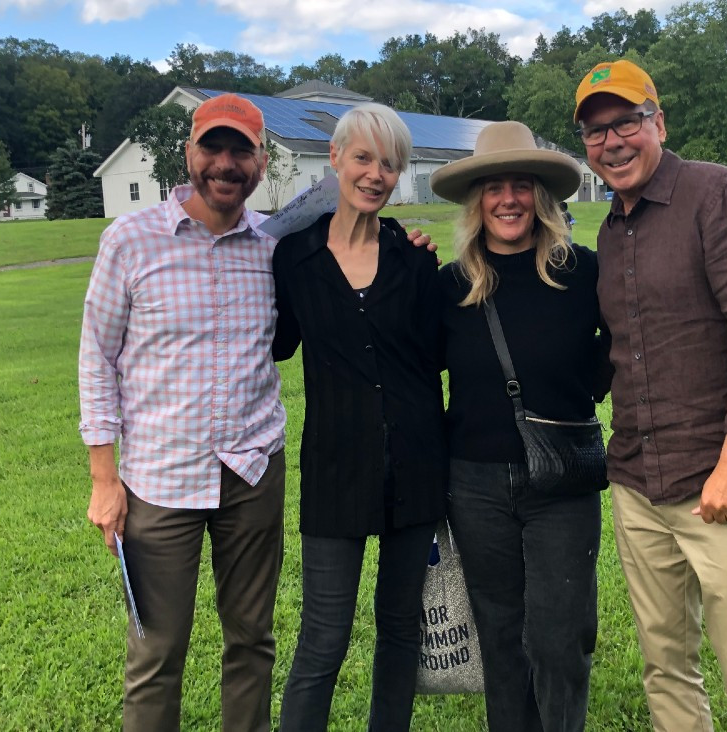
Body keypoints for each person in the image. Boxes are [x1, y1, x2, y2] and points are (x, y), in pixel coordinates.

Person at [573, 60, 727, 731]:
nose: (613, 142)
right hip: (639, 482)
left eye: (627, 123)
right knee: (665, 666)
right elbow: (615, 350)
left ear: (659, 121)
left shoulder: (718, 195)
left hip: (724, 483)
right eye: (595, 132)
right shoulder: (610, 230)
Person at [79, 93, 286, 731]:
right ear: (189, 153)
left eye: (241, 151)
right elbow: (96, 360)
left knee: (251, 639)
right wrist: (104, 479)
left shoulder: (274, 246)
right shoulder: (131, 241)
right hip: (159, 481)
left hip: (252, 472)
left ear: (262, 161)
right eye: (212, 148)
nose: (225, 164)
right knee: (156, 652)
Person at [429, 120, 611, 731]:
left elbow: (617, 347)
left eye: (521, 185)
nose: (508, 199)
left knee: (560, 638)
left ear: (543, 195)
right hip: (475, 482)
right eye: (493, 187)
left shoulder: (582, 272)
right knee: (501, 637)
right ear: (477, 201)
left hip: (563, 480)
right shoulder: (450, 286)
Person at [272, 103, 447, 731]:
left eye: (389, 163)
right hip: (334, 471)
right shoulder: (292, 260)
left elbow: (439, 356)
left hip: (417, 470)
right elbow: (271, 343)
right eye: (364, 158)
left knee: (400, 629)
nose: (376, 174)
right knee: (323, 640)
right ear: (337, 160)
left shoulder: (415, 260)